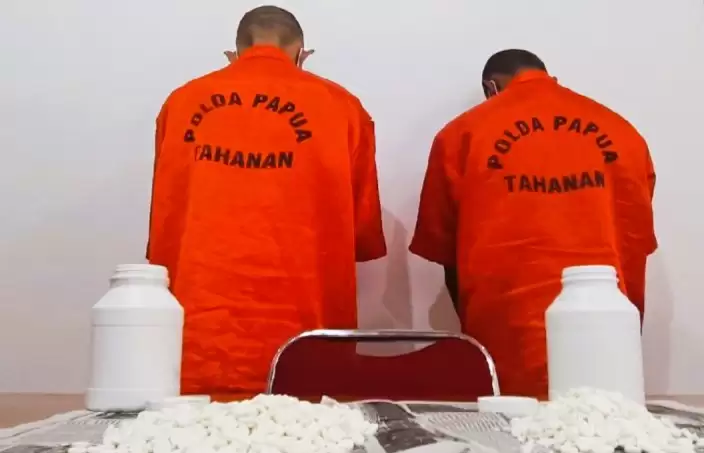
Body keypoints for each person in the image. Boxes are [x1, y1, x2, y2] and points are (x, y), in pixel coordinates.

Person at [147, 5, 387, 397]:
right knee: (312, 423)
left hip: (200, 335)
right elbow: (359, 233)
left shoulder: (182, 101)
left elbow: (164, 210)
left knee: (196, 426)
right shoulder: (341, 105)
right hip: (304, 338)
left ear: (234, 54)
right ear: (302, 54)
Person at [409, 49, 656, 398]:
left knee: (513, 423)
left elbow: (445, 249)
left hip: (508, 332)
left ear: (491, 87)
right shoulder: (622, 132)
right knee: (602, 419)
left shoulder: (461, 135)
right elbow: (636, 236)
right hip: (606, 330)